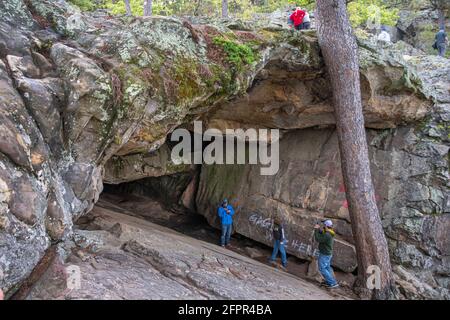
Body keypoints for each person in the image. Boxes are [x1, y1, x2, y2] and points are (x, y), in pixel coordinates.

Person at [314, 220, 339, 289]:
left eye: (324, 225)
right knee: (327, 268)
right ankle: (330, 282)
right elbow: (322, 233)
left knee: (322, 268)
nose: (323, 227)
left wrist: (316, 230)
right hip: (327, 254)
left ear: (326, 226)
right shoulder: (329, 233)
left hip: (325, 254)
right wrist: (318, 229)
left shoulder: (327, 235)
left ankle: (332, 283)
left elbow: (318, 239)